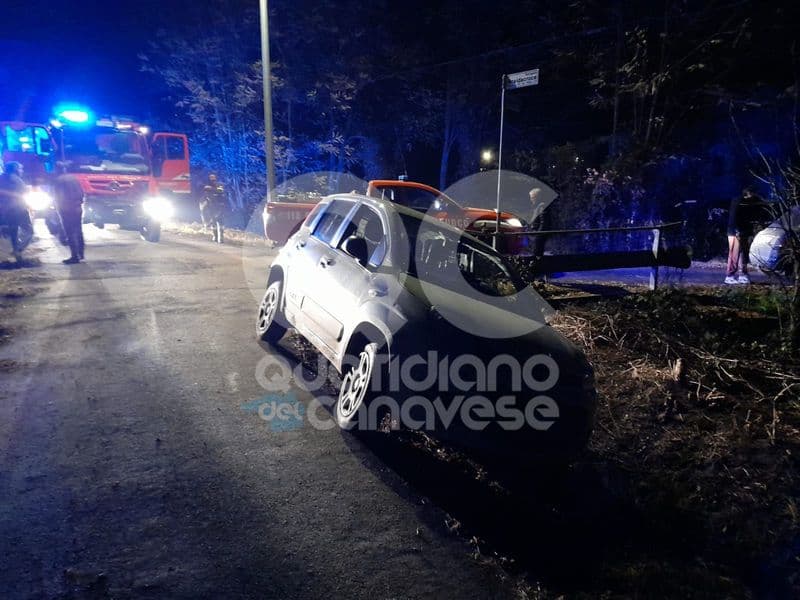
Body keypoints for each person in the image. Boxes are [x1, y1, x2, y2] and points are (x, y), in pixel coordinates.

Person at [725, 187, 770, 285]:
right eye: (753, 194)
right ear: (748, 193)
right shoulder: (737, 201)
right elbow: (733, 217)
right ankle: (730, 276)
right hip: (734, 231)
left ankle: (743, 274)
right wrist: (736, 230)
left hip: (744, 231)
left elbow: (762, 203)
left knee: (744, 254)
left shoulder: (750, 202)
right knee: (734, 254)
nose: (754, 196)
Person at [0, 162, 33, 260]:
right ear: (15, 169)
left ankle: (16, 252)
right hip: (19, 208)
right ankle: (18, 249)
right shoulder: (16, 180)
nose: (22, 171)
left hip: (7, 209)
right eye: (20, 169)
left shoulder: (1, 178)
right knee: (28, 230)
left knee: (13, 231)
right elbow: (23, 192)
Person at [53, 170, 86, 264]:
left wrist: (58, 207)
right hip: (77, 208)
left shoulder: (59, 180)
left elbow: (58, 196)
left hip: (66, 209)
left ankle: (74, 256)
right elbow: (81, 193)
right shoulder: (74, 178)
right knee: (78, 231)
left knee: (70, 233)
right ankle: (81, 253)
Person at [200, 173, 226, 243]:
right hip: (211, 205)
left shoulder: (219, 184)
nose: (212, 178)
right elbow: (205, 194)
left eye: (213, 177)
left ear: (216, 177)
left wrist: (212, 189)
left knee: (221, 221)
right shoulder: (206, 185)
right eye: (211, 177)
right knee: (213, 221)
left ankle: (221, 237)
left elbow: (220, 191)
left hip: (219, 205)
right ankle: (215, 236)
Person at [528, 187, 551, 259]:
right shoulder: (539, 207)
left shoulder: (542, 207)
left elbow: (543, 223)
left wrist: (538, 236)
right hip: (537, 235)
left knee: (537, 254)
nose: (531, 199)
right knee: (536, 254)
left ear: (537, 197)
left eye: (532, 197)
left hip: (538, 236)